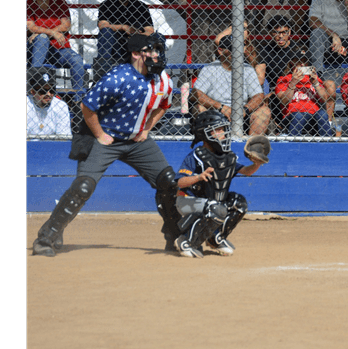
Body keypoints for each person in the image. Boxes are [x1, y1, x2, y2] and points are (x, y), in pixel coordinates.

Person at [31, 34, 181, 257]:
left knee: (168, 181)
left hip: (136, 140)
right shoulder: (118, 77)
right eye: (151, 50)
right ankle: (47, 237)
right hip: (103, 136)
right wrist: (100, 134)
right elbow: (87, 106)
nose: (156, 55)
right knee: (83, 187)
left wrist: (147, 128)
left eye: (158, 50)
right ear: (136, 54)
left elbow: (164, 103)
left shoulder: (162, 80)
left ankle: (176, 235)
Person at [172, 110, 265, 258]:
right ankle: (186, 241)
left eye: (223, 129)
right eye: (218, 130)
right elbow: (180, 182)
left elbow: (246, 171)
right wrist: (199, 177)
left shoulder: (225, 156)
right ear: (205, 133)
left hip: (209, 201)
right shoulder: (196, 156)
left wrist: (257, 164)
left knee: (238, 203)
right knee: (216, 208)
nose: (223, 133)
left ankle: (215, 237)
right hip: (187, 200)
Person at [193, 35, 272, 136]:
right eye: (232, 49)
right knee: (199, 108)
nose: (237, 53)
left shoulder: (248, 69)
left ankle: (251, 144)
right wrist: (221, 107)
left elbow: (258, 96)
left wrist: (245, 109)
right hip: (216, 112)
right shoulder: (210, 69)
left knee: (264, 111)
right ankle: (214, 142)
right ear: (220, 51)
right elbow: (195, 94)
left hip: (243, 114)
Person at [26, 0, 85, 92]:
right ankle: (34, 88)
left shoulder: (60, 2)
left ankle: (78, 98)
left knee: (77, 60)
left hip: (58, 49)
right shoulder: (29, 4)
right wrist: (52, 33)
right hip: (36, 49)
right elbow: (30, 27)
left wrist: (43, 32)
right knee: (42, 39)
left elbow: (66, 25)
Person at [95, 0, 156, 79]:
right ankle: (103, 75)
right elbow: (102, 25)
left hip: (136, 43)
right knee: (106, 32)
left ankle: (156, 76)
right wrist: (123, 27)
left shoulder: (140, 6)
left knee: (158, 37)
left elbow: (150, 29)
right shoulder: (107, 5)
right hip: (115, 42)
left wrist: (139, 34)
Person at [275, 54, 335, 136]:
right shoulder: (284, 79)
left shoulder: (312, 78)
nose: (302, 64)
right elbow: (284, 101)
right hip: (292, 116)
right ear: (292, 62)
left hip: (313, 115)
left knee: (322, 113)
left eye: (304, 60)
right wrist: (293, 83)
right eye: (299, 61)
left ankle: (327, 143)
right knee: (299, 116)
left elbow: (324, 99)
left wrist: (316, 83)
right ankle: (293, 142)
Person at [214, 20, 266, 87]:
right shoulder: (226, 50)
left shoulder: (256, 53)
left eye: (243, 28)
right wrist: (232, 27)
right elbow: (218, 40)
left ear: (247, 32)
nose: (240, 31)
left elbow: (260, 79)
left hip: (248, 87)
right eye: (237, 28)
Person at [26, 66, 71, 138]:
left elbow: (64, 138)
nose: (48, 94)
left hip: (52, 145)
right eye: (43, 91)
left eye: (52, 90)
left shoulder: (61, 106)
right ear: (33, 92)